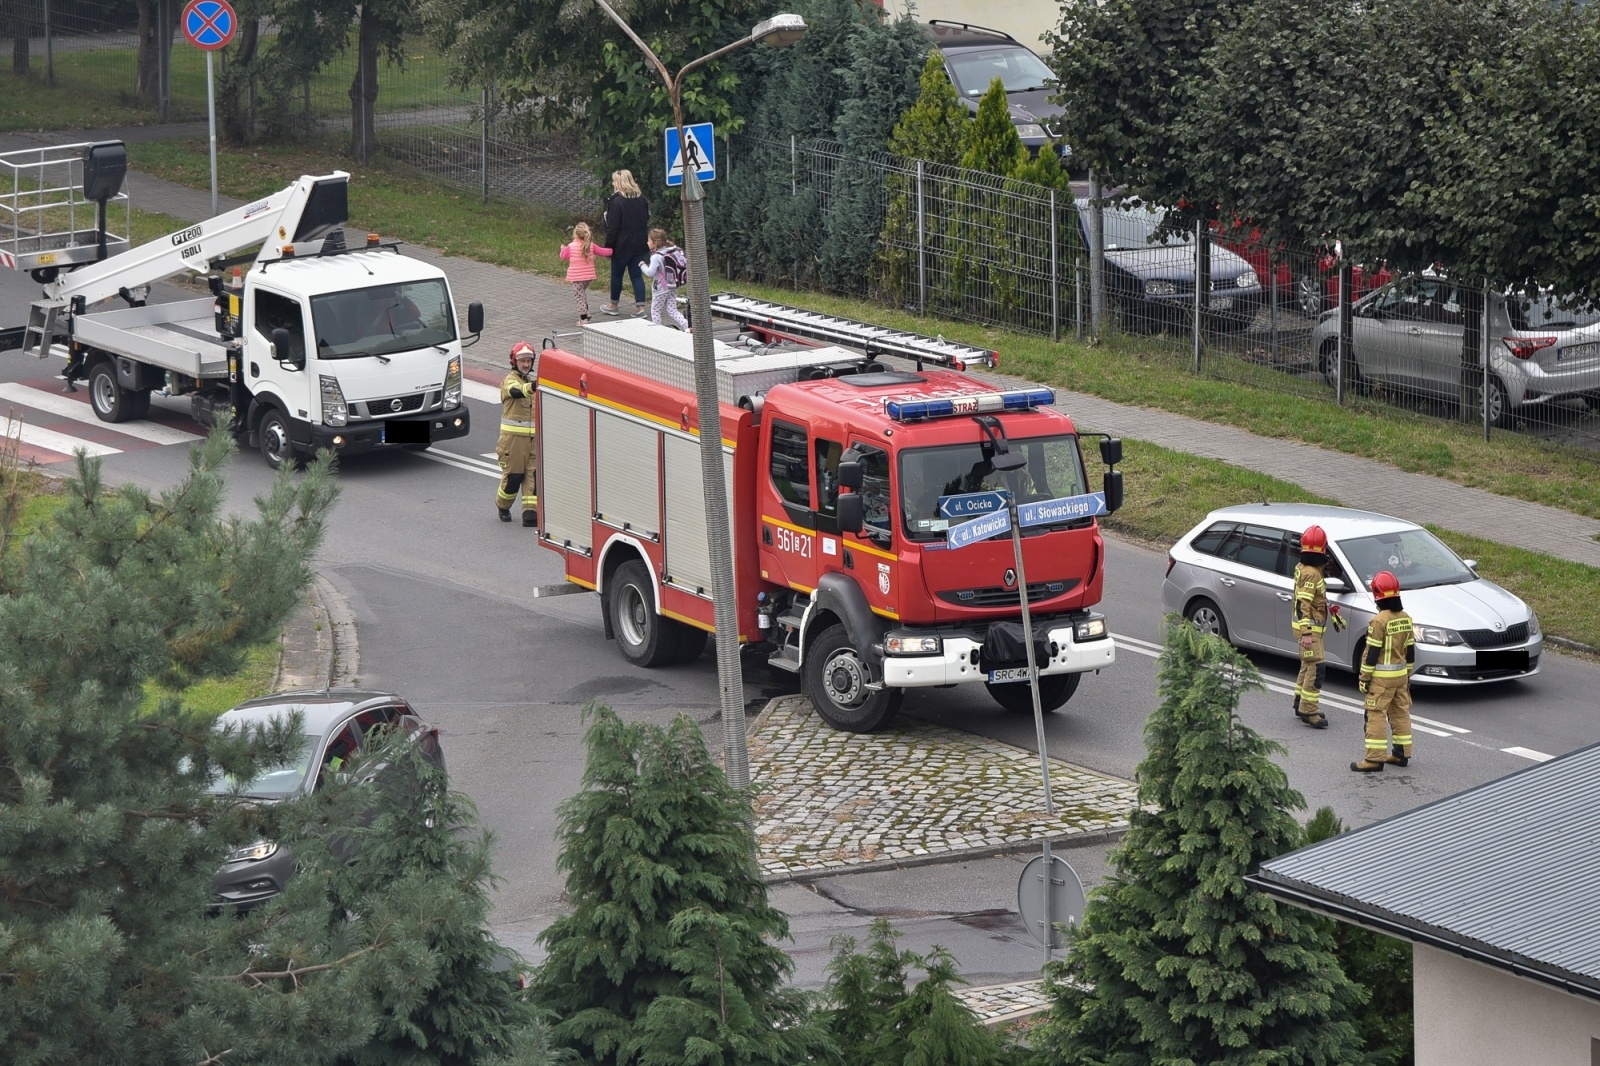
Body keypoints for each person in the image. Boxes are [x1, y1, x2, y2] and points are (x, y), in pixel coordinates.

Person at [1352, 569, 1415, 773]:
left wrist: (1364, 678)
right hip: (1401, 676)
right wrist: (1407, 674)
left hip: (1381, 679)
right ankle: (1401, 753)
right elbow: (1410, 650)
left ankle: (1373, 759)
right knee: (1400, 713)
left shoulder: (1379, 621)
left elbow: (1371, 653)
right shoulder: (1405, 618)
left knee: (1375, 714)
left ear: (1377, 595)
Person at [1290, 523, 1344, 729]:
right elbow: (1303, 604)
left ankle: (1299, 702)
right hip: (1309, 629)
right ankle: (1309, 709)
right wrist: (1306, 633)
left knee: (1307, 665)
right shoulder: (1312, 573)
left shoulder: (1302, 567)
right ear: (1323, 549)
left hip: (1308, 627)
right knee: (1317, 667)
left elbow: (1310, 599)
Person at [496, 341, 539, 526]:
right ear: (514, 361)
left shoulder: (531, 382)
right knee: (514, 477)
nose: (526, 364)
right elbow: (516, 391)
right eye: (522, 361)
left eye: (529, 361)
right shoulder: (510, 380)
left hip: (534, 440)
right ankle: (502, 505)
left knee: (533, 476)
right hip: (513, 441)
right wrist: (534, 387)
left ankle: (530, 514)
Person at [602, 169, 650, 317]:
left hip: (621, 245)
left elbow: (613, 227)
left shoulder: (617, 201)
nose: (612, 183)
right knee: (636, 276)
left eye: (614, 180)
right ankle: (640, 308)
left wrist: (608, 246)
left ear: (619, 182)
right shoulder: (641, 199)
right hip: (640, 243)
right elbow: (646, 220)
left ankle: (613, 305)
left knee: (617, 275)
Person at [561, 222, 612, 325]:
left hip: (577, 277)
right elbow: (603, 252)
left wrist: (562, 249)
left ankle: (583, 318)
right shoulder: (591, 246)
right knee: (582, 295)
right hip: (588, 277)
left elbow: (563, 256)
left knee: (579, 297)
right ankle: (587, 313)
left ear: (575, 234)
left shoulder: (571, 246)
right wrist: (612, 250)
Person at [641, 228, 690, 331]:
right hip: (673, 285)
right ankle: (687, 326)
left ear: (655, 243)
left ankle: (658, 331)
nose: (647, 242)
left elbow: (650, 272)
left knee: (655, 311)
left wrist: (642, 265)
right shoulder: (672, 249)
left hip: (660, 289)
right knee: (672, 309)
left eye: (649, 241)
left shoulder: (656, 256)